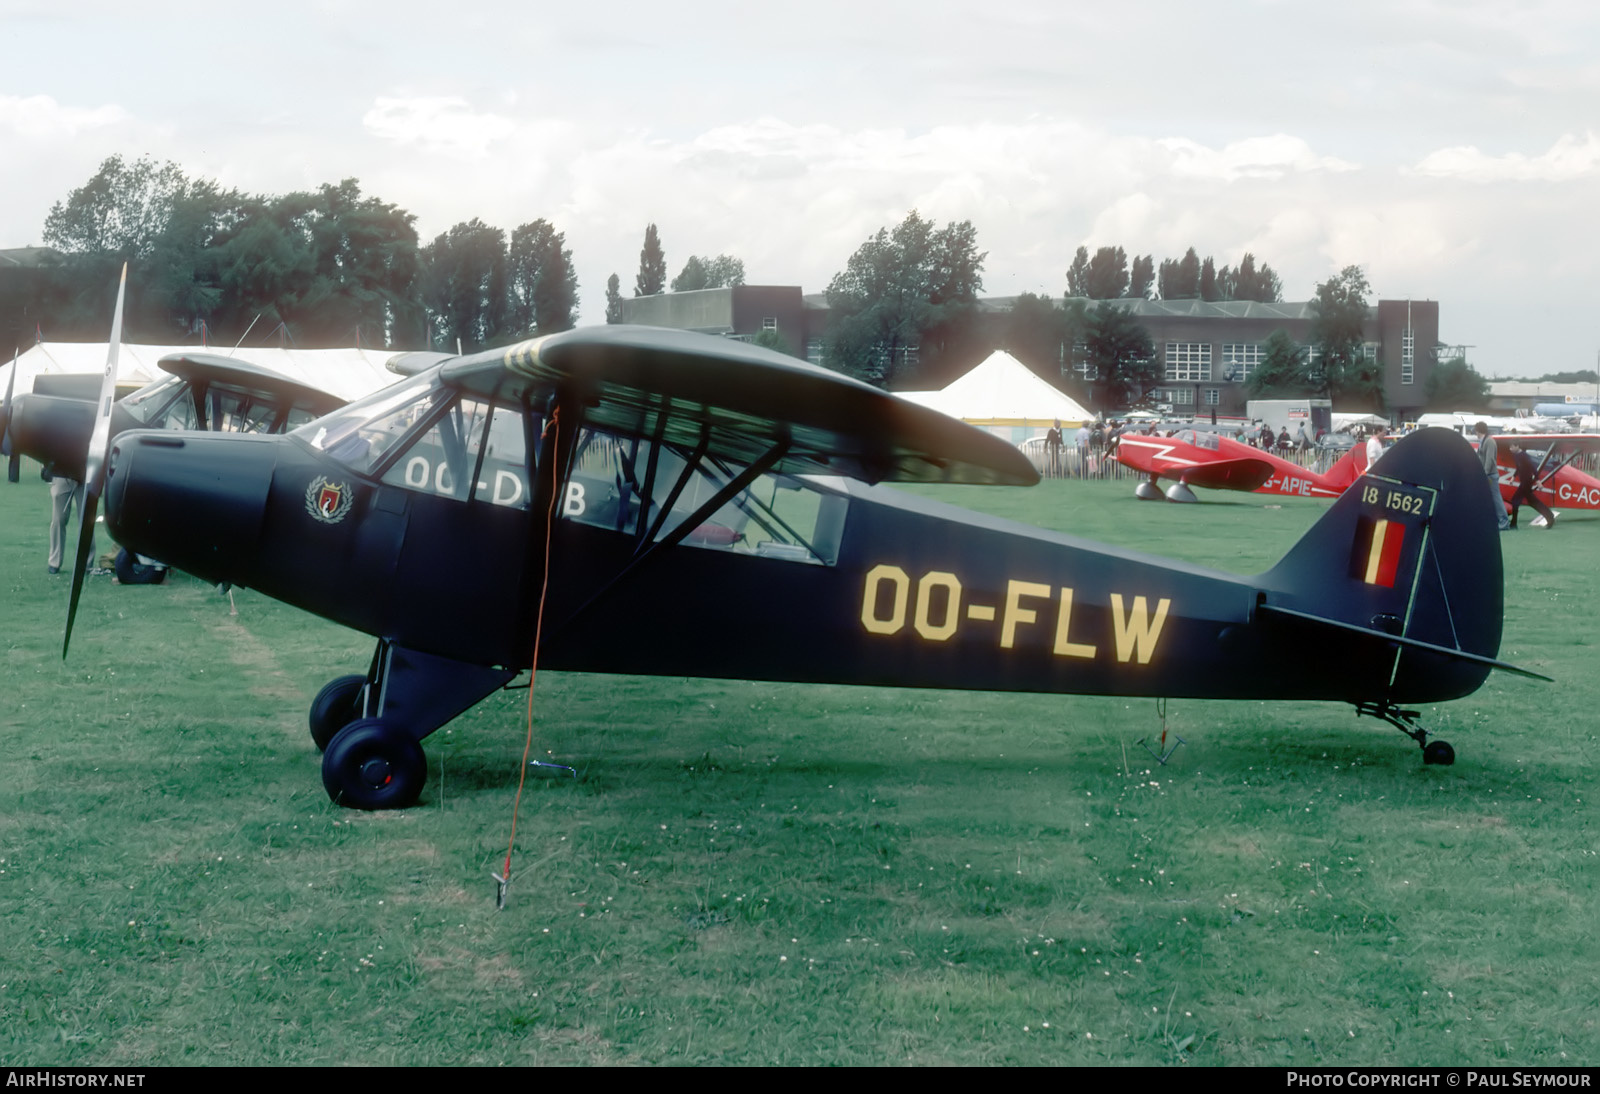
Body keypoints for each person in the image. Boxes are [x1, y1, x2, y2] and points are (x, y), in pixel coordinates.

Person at [1506, 443, 1557, 529]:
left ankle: (1513, 524)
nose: (1510, 448)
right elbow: (1519, 468)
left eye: (1511, 446)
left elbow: (1532, 468)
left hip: (1527, 481)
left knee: (1515, 500)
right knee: (1532, 502)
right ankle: (1549, 516)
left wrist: (1537, 480)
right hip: (1524, 481)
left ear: (1517, 446)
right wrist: (1513, 477)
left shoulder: (1524, 456)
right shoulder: (1516, 456)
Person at [1474, 421, 1510, 531]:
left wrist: (1484, 474)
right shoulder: (1485, 441)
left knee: (1496, 499)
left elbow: (1489, 460)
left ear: (1478, 430)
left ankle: (1504, 522)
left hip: (1489, 475)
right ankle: (1499, 521)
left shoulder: (1489, 441)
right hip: (1488, 475)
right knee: (1492, 499)